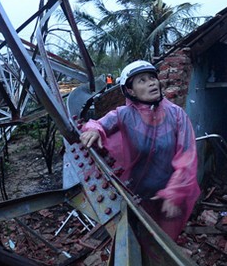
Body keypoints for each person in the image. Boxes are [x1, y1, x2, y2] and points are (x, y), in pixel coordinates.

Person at [79, 60, 200, 240]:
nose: (151, 82)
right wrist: (93, 129)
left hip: (168, 195)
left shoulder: (176, 115)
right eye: (142, 80)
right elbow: (98, 124)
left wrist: (175, 192)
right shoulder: (123, 115)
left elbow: (187, 157)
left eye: (152, 78)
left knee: (165, 243)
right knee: (138, 240)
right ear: (130, 91)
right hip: (136, 194)